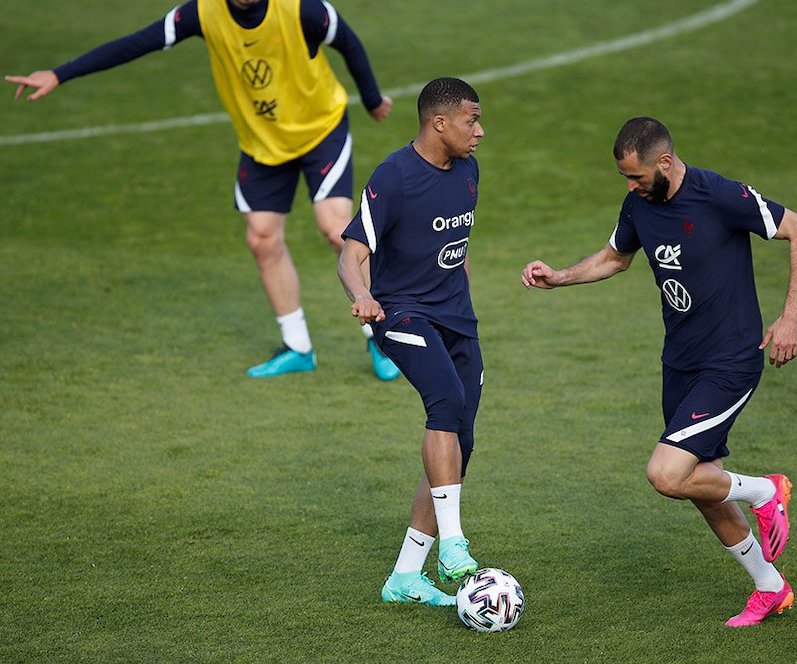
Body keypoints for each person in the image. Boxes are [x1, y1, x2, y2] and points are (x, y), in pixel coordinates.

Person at [521, 117, 797, 627]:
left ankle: (768, 491)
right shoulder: (640, 204)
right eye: (624, 179)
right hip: (679, 362)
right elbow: (615, 259)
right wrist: (559, 277)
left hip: (729, 362)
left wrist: (791, 317)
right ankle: (771, 588)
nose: (630, 187)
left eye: (636, 177)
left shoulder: (718, 195)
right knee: (701, 485)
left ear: (664, 162)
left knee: (666, 474)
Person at [5, 0, 400, 381]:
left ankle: (379, 341)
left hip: (320, 130)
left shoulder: (301, 8)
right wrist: (60, 74)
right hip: (262, 141)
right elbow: (137, 43)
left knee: (335, 229)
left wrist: (369, 98)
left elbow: (345, 38)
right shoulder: (201, 12)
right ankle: (297, 348)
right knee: (261, 239)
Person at [338, 77, 485, 606]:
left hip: (456, 319)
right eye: (472, 120)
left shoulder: (468, 169)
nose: (480, 131)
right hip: (399, 313)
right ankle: (454, 544)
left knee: (459, 443)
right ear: (439, 122)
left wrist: (464, 306)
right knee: (444, 403)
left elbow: (455, 247)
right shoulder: (394, 176)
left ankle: (405, 576)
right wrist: (364, 297)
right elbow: (351, 253)